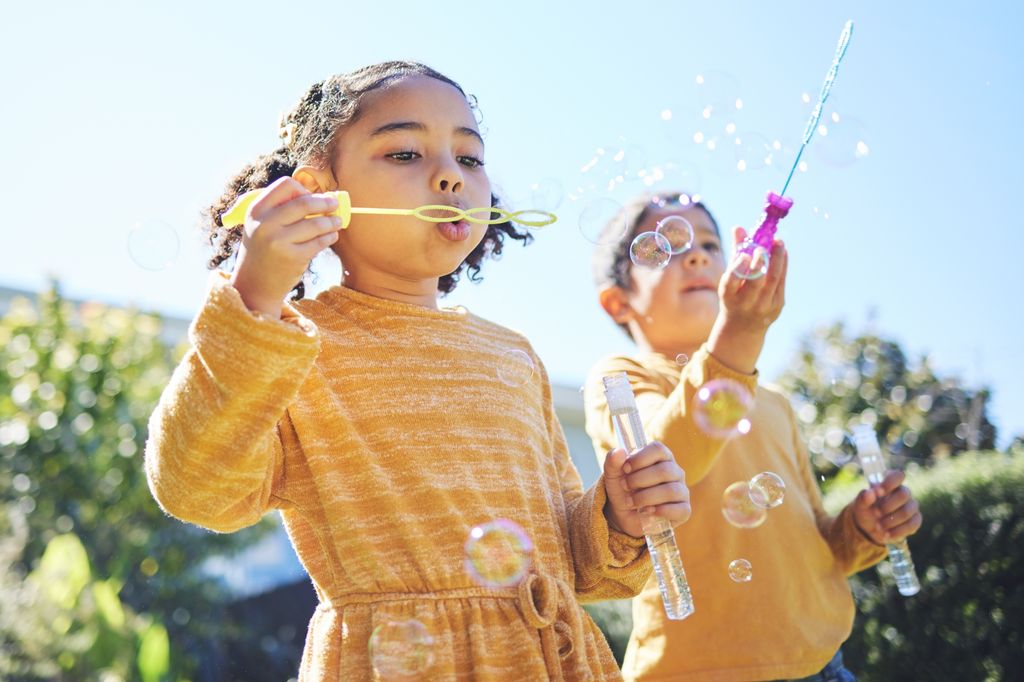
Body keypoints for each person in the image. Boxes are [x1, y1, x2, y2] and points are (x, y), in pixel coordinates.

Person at [144, 62, 692, 681]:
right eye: (405, 152)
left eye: (470, 157)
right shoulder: (287, 346)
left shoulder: (513, 356)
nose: (449, 175)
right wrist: (252, 301)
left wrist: (617, 516)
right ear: (319, 189)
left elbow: (571, 562)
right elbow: (196, 487)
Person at [584, 191, 922, 681]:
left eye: (708, 243)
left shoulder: (774, 403)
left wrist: (863, 528)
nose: (696, 253)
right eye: (669, 245)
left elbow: (821, 547)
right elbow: (662, 467)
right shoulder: (622, 377)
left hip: (822, 665)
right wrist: (739, 333)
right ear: (618, 301)